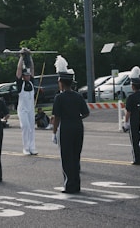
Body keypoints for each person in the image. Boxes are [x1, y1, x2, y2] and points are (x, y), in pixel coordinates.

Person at [52, 55, 89, 194]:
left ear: (61, 82)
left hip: (66, 128)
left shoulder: (59, 97)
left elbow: (57, 117)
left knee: (67, 157)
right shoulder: (78, 96)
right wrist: (76, 117)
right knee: (76, 156)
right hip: (78, 126)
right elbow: (86, 113)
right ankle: (77, 184)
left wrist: (54, 132)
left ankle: (69, 185)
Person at [16, 48, 37, 155]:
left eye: (29, 75)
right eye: (26, 75)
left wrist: (30, 56)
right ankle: (25, 147)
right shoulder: (20, 84)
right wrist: (22, 56)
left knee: (32, 127)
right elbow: (19, 69)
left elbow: (32, 68)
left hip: (31, 109)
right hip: (23, 109)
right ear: (23, 76)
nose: (28, 76)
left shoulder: (31, 82)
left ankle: (32, 147)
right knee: (25, 127)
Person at [123, 66, 140, 165]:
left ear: (133, 86)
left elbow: (128, 112)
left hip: (134, 121)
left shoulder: (131, 97)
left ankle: (137, 159)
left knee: (135, 140)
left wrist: (125, 123)